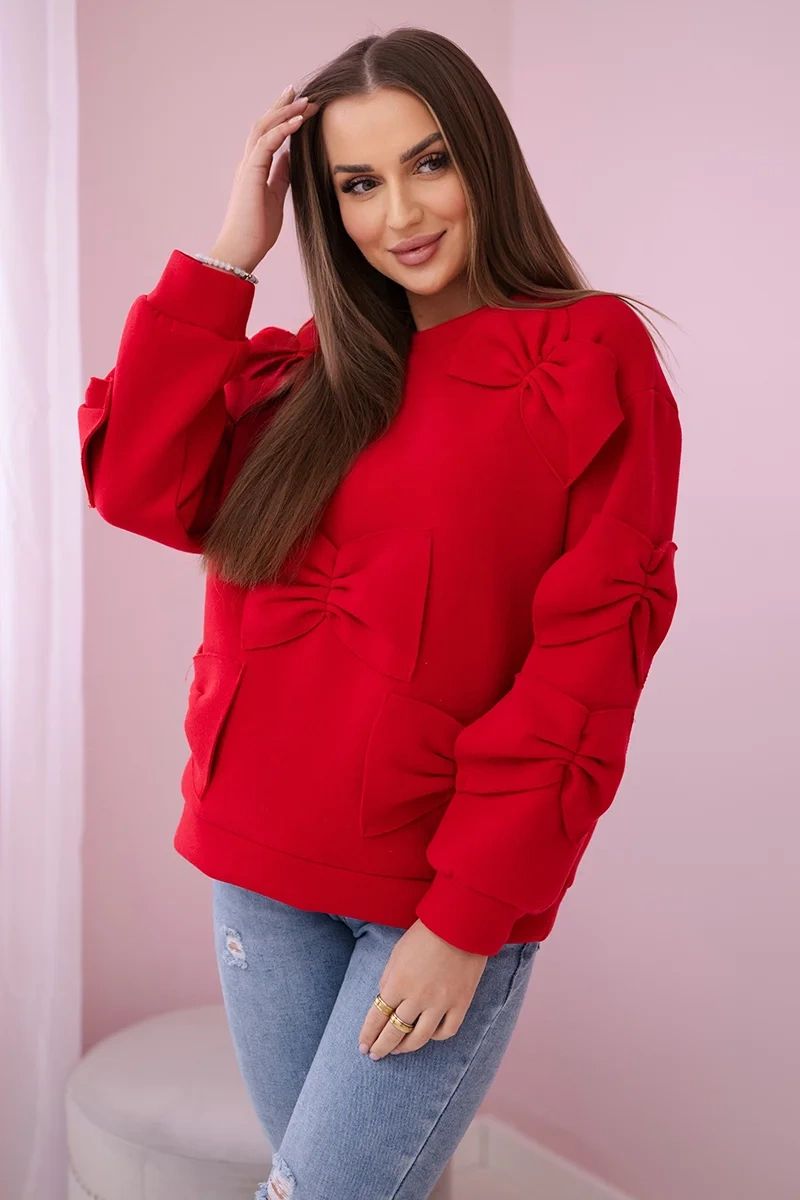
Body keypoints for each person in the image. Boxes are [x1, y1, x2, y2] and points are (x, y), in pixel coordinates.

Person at [77, 27, 682, 1200]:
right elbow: (137, 482)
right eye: (355, 184)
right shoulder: (314, 375)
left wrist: (463, 922)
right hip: (259, 873)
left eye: (428, 162)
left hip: (436, 898)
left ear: (483, 160)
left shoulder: (587, 353)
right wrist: (230, 253)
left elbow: (589, 659)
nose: (398, 212)